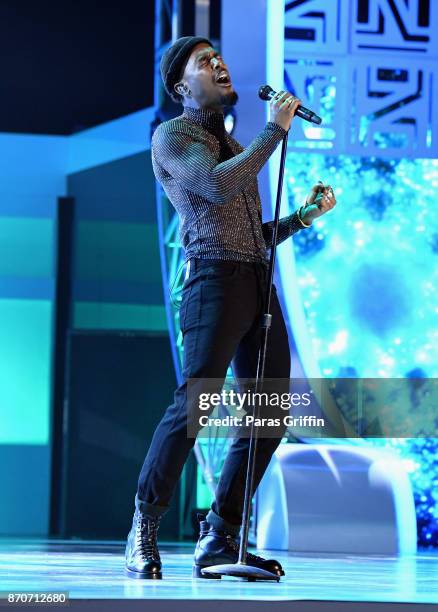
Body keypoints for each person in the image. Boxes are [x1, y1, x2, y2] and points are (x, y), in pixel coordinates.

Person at [125, 36, 337, 580]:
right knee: (196, 405)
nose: (219, 64)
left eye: (219, 57)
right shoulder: (172, 137)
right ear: (181, 86)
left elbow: (253, 235)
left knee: (268, 417)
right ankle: (144, 526)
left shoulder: (233, 142)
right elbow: (216, 190)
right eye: (205, 62)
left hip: (257, 283)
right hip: (213, 282)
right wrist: (274, 130)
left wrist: (304, 216)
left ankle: (221, 535)